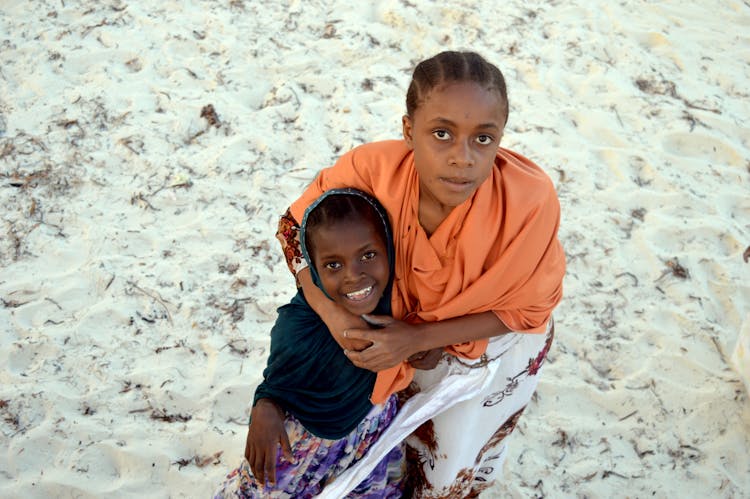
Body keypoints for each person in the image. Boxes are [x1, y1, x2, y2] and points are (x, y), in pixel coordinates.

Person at [270, 51, 566, 497]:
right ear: (409, 131)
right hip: (396, 340)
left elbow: (529, 309)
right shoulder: (374, 171)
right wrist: (334, 316)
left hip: (496, 345)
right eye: (442, 134)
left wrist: (419, 338)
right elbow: (294, 230)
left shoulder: (529, 200)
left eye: (483, 139)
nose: (462, 158)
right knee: (393, 443)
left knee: (448, 462)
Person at [214, 188, 412, 498]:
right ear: (314, 271)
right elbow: (276, 385)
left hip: (372, 427)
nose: (354, 276)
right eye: (333, 265)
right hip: (305, 441)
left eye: (368, 255)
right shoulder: (297, 326)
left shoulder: (396, 301)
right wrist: (265, 408)